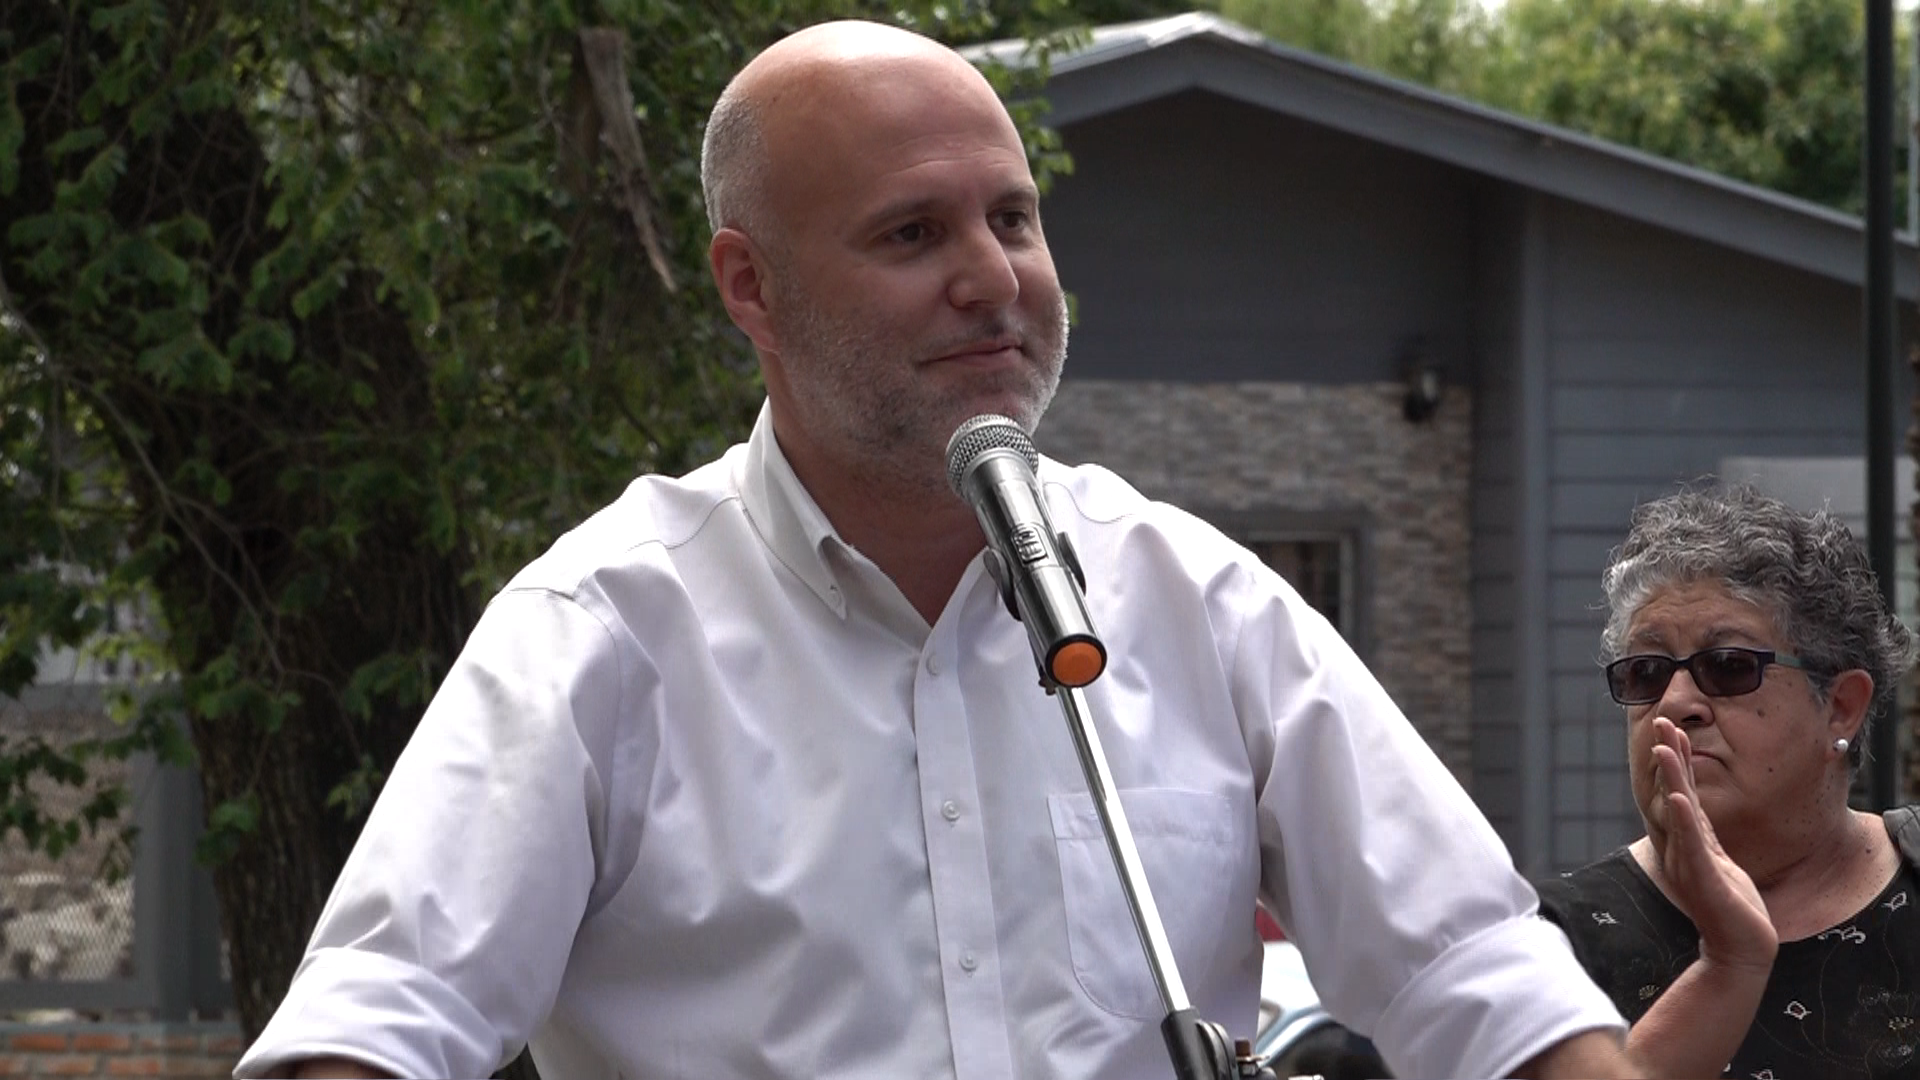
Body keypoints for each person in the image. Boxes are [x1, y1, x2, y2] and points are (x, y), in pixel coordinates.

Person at [234, 19, 1636, 1080]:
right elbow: (386, 1012)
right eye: (913, 231)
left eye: (1013, 217)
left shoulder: (1188, 596)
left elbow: (1478, 970)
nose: (995, 277)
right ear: (750, 286)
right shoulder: (603, 628)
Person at [1536, 485, 1920, 1079]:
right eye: (1646, 671)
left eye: (1729, 666)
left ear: (1841, 706)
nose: (1675, 703)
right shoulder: (1549, 948)